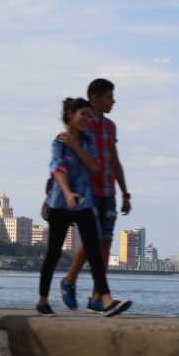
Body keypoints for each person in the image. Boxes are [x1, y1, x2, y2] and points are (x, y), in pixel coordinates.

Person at [36, 97, 131, 318]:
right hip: (61, 202)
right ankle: (42, 301)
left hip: (84, 203)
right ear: (71, 115)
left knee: (94, 251)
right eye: (83, 115)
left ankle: (105, 300)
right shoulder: (58, 141)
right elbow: (57, 169)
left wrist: (76, 146)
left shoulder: (86, 141)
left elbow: (95, 165)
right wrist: (68, 193)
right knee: (53, 253)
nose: (87, 119)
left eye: (89, 115)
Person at [59, 79, 131, 312]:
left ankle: (96, 297)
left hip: (108, 190)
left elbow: (115, 159)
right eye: (109, 96)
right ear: (95, 98)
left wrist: (125, 192)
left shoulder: (110, 127)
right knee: (92, 240)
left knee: (106, 242)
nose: (113, 101)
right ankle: (69, 281)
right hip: (88, 190)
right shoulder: (84, 123)